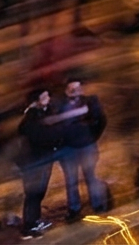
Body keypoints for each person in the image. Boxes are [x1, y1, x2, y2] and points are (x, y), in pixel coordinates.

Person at [49, 78, 105, 220]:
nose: (76, 92)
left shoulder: (90, 102)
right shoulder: (58, 105)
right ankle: (74, 208)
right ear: (66, 90)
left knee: (90, 176)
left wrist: (92, 137)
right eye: (72, 89)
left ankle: (97, 204)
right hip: (69, 148)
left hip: (86, 145)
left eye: (78, 88)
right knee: (71, 180)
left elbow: (101, 120)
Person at [13, 89, 59, 237]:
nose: (48, 98)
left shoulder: (45, 112)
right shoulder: (31, 119)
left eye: (48, 95)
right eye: (44, 96)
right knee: (33, 194)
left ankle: (35, 220)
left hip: (44, 159)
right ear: (36, 101)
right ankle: (28, 226)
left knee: (39, 193)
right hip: (34, 162)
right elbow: (38, 138)